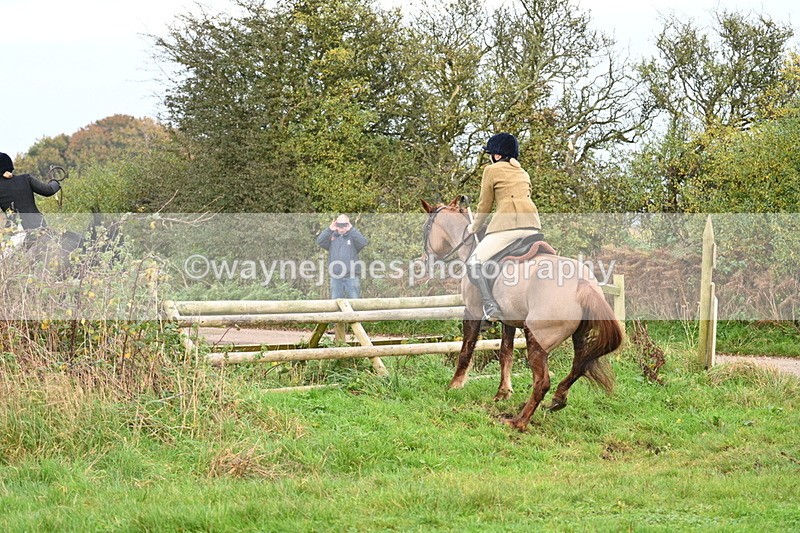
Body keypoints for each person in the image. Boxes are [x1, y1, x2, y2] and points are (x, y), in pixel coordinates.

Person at [466, 133, 542, 322]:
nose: (490, 157)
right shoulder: (523, 172)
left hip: (508, 227)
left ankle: (490, 305)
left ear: (497, 155)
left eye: (491, 153)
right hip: (533, 226)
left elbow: (484, 205)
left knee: (473, 262)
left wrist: (473, 228)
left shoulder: (491, 170)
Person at [0, 152, 61, 232]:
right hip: (38, 228)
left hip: (13, 232)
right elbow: (49, 190)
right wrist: (55, 182)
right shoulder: (25, 179)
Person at [316, 214, 368, 299]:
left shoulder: (353, 236)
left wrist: (351, 229)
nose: (341, 227)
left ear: (348, 224)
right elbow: (320, 241)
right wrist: (329, 229)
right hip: (336, 277)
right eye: (339, 224)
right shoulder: (332, 237)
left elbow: (363, 242)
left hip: (351, 277)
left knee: (355, 303)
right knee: (336, 305)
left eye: (344, 224)